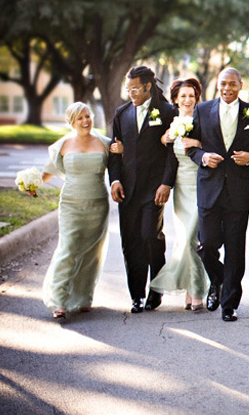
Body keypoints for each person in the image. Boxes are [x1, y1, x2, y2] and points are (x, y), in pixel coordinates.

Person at [185, 67, 249, 322]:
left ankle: (229, 304)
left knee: (235, 248)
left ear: (240, 85)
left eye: (232, 84)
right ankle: (217, 280)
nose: (227, 88)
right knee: (206, 243)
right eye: (223, 84)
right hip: (209, 188)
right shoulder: (201, 110)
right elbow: (190, 146)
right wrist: (203, 157)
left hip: (238, 191)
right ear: (217, 85)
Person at [108, 65, 177, 313]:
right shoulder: (121, 113)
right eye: (128, 89)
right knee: (131, 242)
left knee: (150, 237)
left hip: (154, 188)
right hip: (127, 190)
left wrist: (167, 183)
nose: (131, 93)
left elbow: (172, 153)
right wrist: (114, 181)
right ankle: (136, 295)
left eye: (135, 88)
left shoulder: (168, 111)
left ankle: (155, 290)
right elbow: (114, 153)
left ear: (148, 86)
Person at [36, 103, 112, 319]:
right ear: (71, 122)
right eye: (80, 118)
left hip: (98, 204)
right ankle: (58, 300)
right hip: (70, 204)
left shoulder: (105, 143)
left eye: (88, 116)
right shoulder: (62, 145)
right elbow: (48, 171)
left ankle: (83, 297)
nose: (86, 121)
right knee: (68, 249)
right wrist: (33, 186)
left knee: (91, 253)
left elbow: (119, 169)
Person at [147, 78, 208, 311]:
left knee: (194, 239)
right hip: (181, 187)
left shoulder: (203, 119)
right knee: (185, 239)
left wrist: (198, 141)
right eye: (183, 96)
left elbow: (213, 145)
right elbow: (167, 155)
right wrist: (165, 139)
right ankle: (191, 289)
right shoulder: (171, 122)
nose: (188, 100)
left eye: (191, 95)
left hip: (201, 184)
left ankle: (197, 290)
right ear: (175, 99)